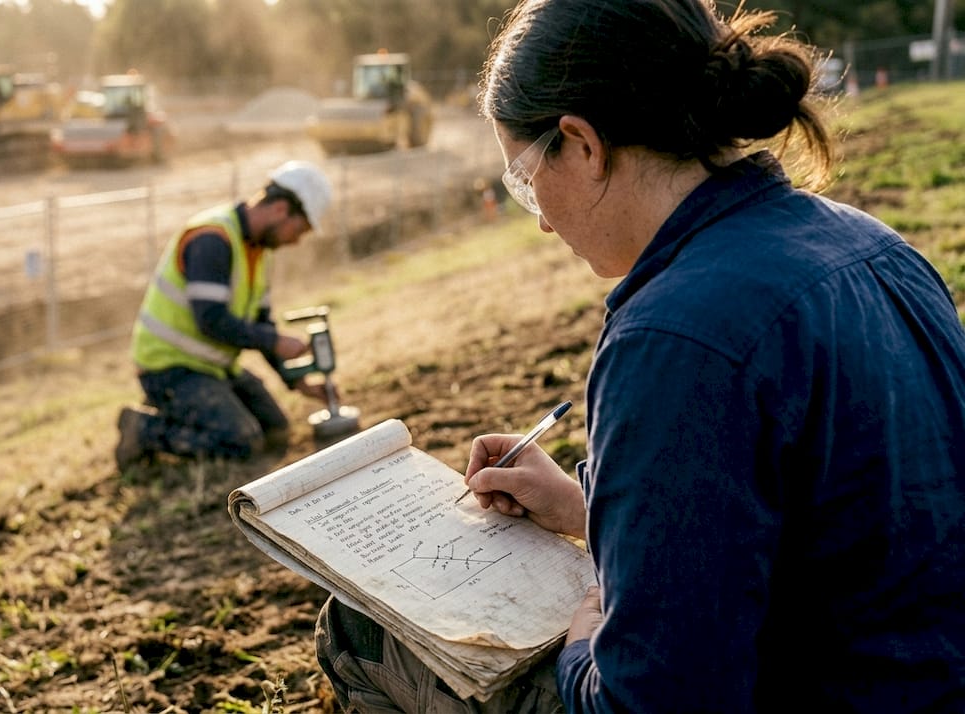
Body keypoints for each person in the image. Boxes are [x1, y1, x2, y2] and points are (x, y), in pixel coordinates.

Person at [314, 0, 965, 712]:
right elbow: (821, 522)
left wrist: (581, 646)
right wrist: (582, 504)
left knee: (358, 630)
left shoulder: (675, 337)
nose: (536, 217)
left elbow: (654, 700)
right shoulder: (875, 248)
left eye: (524, 179)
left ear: (582, 143)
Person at [116, 161, 334, 468]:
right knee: (242, 441)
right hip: (169, 367)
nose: (296, 240)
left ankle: (179, 409)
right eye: (299, 230)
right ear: (281, 209)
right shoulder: (212, 239)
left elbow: (260, 325)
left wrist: (296, 381)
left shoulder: (259, 251)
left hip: (213, 367)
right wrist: (274, 341)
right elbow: (212, 321)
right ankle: (142, 429)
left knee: (276, 431)